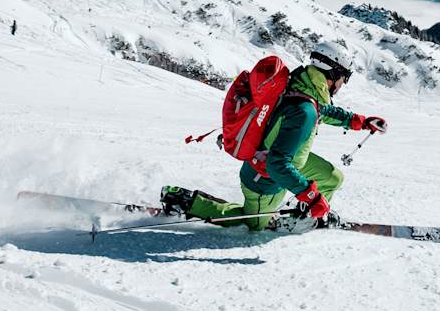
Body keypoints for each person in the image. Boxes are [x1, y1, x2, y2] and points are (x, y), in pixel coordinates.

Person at [159, 43, 386, 231]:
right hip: (263, 177)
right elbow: (277, 166)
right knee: (253, 225)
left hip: (291, 159)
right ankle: (187, 202)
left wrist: (361, 121)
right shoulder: (304, 111)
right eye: (343, 78)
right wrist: (311, 197)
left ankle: (306, 217)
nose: (342, 84)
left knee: (332, 178)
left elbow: (323, 111)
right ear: (333, 74)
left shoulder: (301, 86)